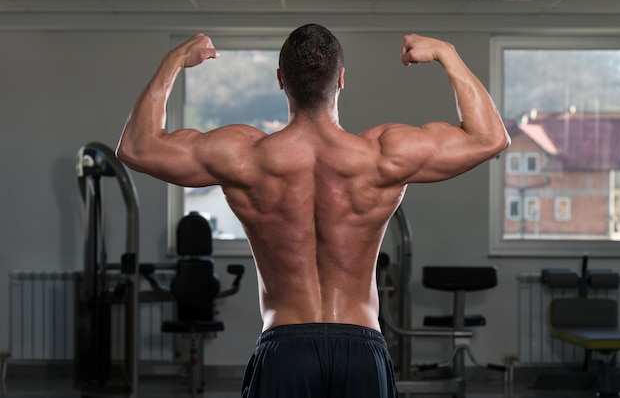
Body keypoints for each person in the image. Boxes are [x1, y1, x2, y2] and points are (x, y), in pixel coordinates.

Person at [116, 24, 510, 398]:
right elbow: (489, 137)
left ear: (280, 79)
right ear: (340, 79)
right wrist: (447, 53)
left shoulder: (245, 158)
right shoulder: (381, 156)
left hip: (285, 349)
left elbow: (137, 147)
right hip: (362, 351)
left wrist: (172, 61)